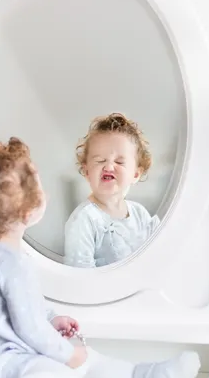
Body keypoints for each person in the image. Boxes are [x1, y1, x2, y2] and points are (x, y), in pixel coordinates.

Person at [0, 137, 200, 378]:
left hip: (11, 354)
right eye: (39, 189)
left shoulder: (5, 251)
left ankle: (141, 376)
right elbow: (28, 328)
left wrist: (53, 319)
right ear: (29, 209)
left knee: (82, 354)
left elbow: (27, 306)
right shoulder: (7, 261)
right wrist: (67, 355)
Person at [65, 113, 160, 267]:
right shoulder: (84, 220)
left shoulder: (140, 214)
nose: (108, 167)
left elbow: (157, 257)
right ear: (87, 172)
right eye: (100, 160)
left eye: (119, 162)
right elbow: (80, 276)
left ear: (136, 174)